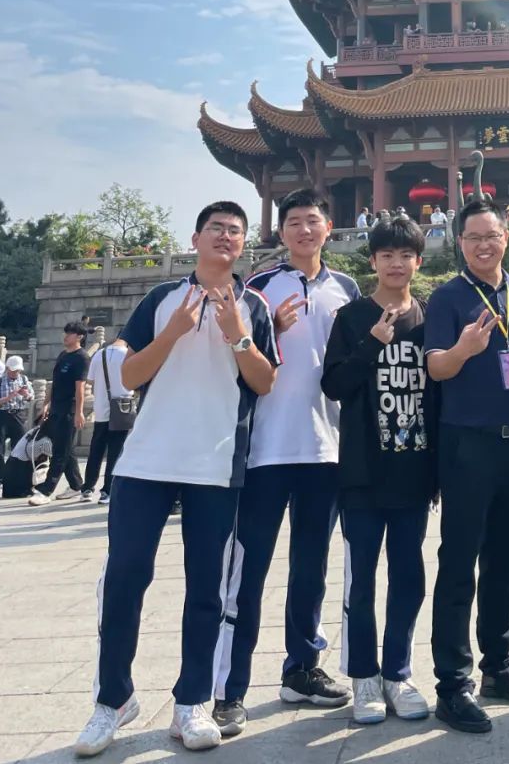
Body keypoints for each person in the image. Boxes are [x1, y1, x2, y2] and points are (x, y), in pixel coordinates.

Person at [74, 201, 279, 757]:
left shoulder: (254, 305)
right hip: (146, 461)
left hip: (214, 464)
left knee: (206, 588)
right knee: (124, 577)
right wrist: (173, 333)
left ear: (244, 245)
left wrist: (237, 335)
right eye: (216, 228)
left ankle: (192, 701)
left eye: (235, 231)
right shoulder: (162, 298)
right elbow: (128, 376)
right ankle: (112, 699)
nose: (225, 237)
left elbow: (264, 383)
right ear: (195, 239)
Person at [213, 189, 359, 736]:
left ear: (328, 227)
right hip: (265, 450)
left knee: (311, 568)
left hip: (325, 448)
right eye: (293, 221)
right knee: (246, 571)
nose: (303, 229)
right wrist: (268, 327)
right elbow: (233, 357)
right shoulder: (256, 288)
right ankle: (229, 688)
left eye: (312, 220)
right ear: (281, 231)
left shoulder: (347, 289)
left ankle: (302, 669)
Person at [424, 198, 509, 733]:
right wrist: (465, 349)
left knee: (506, 563)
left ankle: (499, 667)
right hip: (466, 445)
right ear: (459, 243)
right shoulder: (447, 298)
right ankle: (453, 685)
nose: (483, 245)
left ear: (506, 237)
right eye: (472, 237)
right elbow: (436, 368)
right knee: (458, 564)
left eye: (491, 235)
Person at [322, 214, 436, 725]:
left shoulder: (429, 318)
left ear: (418, 261)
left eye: (406, 255)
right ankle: (364, 676)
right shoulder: (351, 318)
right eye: (387, 254)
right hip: (363, 470)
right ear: (372, 261)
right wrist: (371, 343)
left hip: (413, 468)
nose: (396, 263)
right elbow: (334, 386)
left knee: (409, 574)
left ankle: (398, 672)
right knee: (362, 577)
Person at [28, 321, 90, 504]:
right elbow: (54, 383)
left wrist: (79, 412)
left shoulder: (82, 358)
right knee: (65, 448)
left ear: (79, 337)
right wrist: (46, 404)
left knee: (60, 452)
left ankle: (46, 490)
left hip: (69, 410)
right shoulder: (63, 355)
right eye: (66, 333)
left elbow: (80, 387)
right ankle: (76, 486)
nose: (66, 336)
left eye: (70, 333)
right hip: (56, 408)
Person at [81, 336, 134, 502]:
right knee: (115, 451)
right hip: (121, 409)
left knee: (96, 449)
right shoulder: (128, 354)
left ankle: (88, 488)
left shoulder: (99, 354)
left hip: (101, 409)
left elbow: (90, 380)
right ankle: (107, 490)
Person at [0, 353, 33, 492]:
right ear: (7, 368)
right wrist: (9, 397)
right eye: (13, 370)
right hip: (2, 415)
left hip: (18, 415)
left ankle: (17, 477)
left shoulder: (24, 379)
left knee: (20, 448)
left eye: (18, 370)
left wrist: (26, 395)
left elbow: (31, 396)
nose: (15, 373)